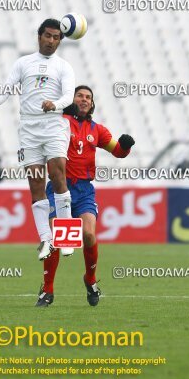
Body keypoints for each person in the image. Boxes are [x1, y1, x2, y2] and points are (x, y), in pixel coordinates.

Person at [0, 19, 75, 260]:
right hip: (29, 128)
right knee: (35, 183)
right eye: (48, 36)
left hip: (54, 123)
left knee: (58, 172)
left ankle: (66, 237)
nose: (52, 41)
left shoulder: (64, 67)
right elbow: (6, 89)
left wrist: (56, 104)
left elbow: (69, 95)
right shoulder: (23, 63)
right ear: (39, 36)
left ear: (60, 41)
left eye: (56, 38)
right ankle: (46, 239)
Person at [35, 85, 135, 307]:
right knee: (56, 238)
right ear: (72, 100)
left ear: (92, 103)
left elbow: (117, 151)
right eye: (79, 96)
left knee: (89, 235)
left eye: (88, 97)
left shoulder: (98, 130)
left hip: (84, 191)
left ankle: (90, 280)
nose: (84, 99)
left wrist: (126, 146)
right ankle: (47, 290)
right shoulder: (60, 122)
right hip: (60, 188)